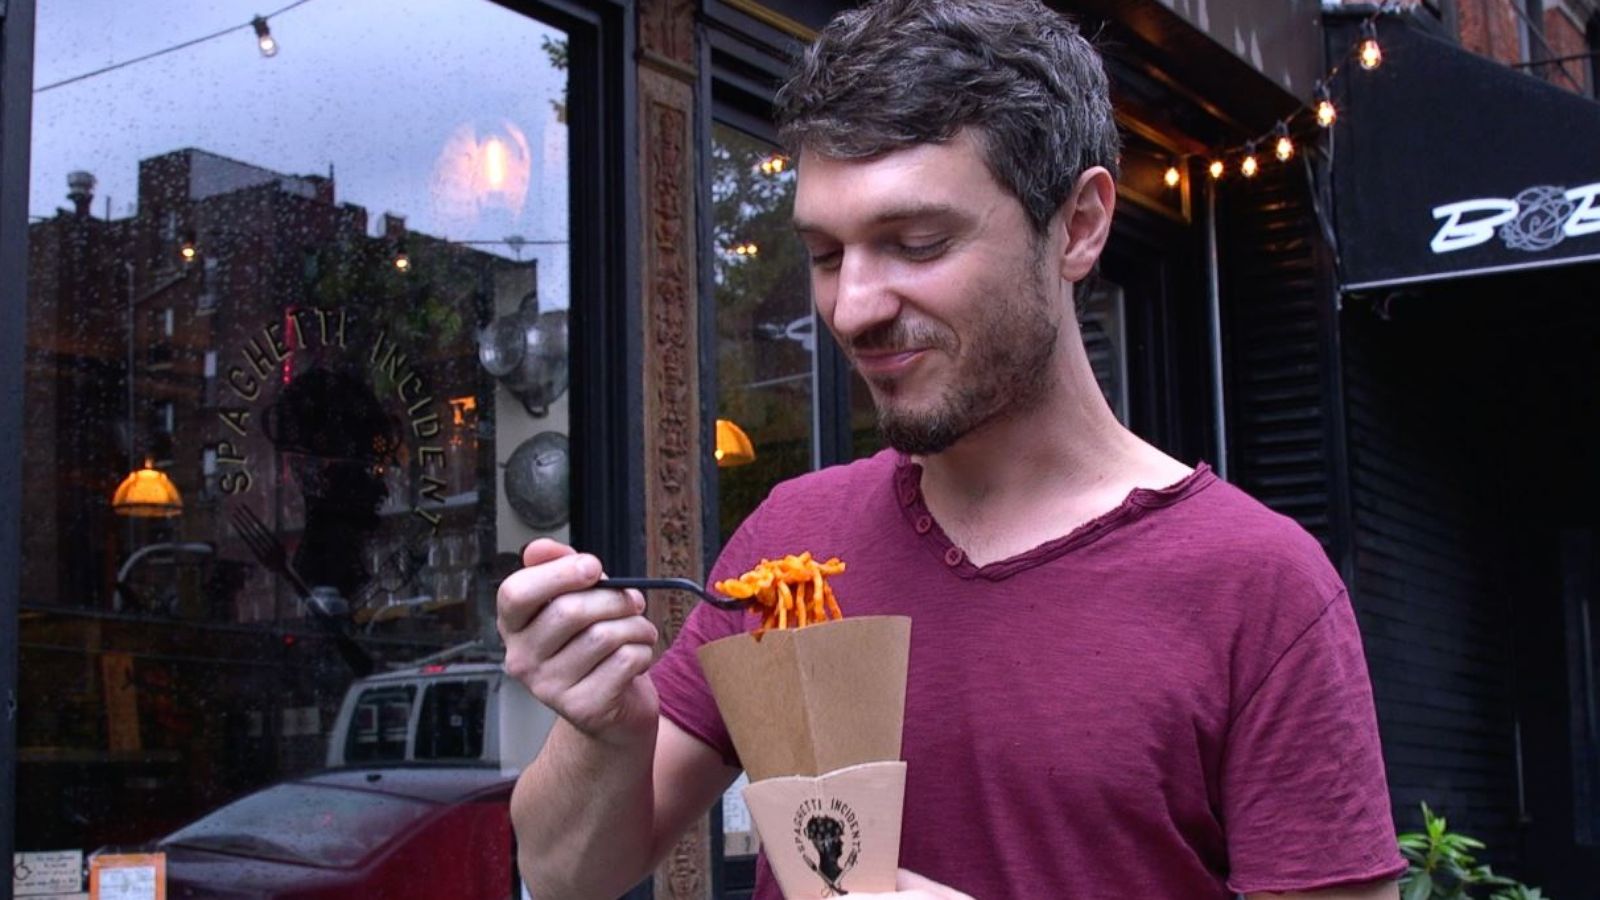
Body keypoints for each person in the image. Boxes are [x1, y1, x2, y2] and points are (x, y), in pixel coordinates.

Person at [496, 1, 1406, 897]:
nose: (852, 307)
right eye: (824, 253)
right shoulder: (792, 542)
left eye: (917, 243)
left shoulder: (1257, 586)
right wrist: (604, 731)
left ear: (1080, 225)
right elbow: (568, 874)